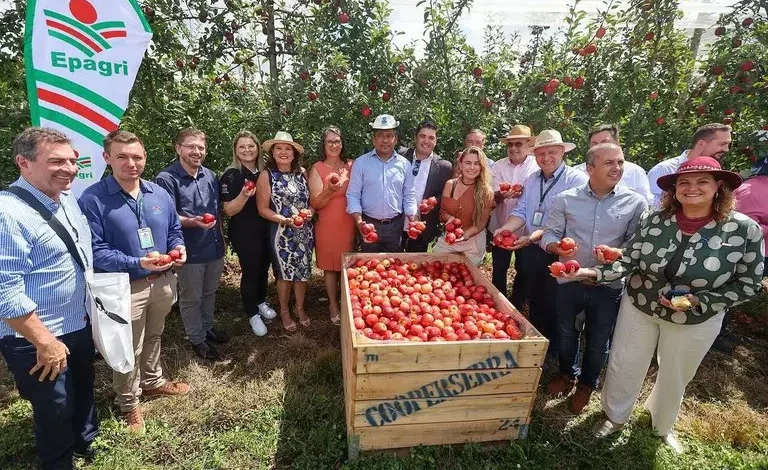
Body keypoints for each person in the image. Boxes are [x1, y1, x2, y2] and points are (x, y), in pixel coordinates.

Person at [565, 157, 764, 454]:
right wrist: (587, 272)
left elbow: (749, 283)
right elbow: (629, 261)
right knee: (624, 362)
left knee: (675, 372)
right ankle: (614, 416)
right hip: (641, 305)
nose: (691, 188)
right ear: (674, 189)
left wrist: (702, 301)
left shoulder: (742, 230)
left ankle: (661, 423)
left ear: (718, 187)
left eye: (702, 182)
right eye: (684, 182)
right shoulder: (656, 220)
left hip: (696, 318)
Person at [78, 129, 191, 433]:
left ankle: (153, 381)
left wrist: (178, 249)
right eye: (122, 157)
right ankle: (129, 403)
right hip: (124, 286)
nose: (131, 163)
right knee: (127, 346)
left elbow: (173, 231)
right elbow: (95, 252)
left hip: (163, 279)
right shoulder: (93, 199)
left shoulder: (158, 194)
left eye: (137, 156)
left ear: (145, 157)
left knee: (154, 335)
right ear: (107, 158)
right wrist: (136, 263)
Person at [0, 128, 98, 468]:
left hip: (77, 321)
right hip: (36, 335)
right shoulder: (8, 214)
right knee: (54, 407)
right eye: (56, 161)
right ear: (23, 163)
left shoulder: (66, 198)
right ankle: (59, 462)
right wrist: (45, 341)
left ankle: (86, 442)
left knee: (84, 388)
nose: (69, 169)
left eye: (72, 161)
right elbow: (5, 291)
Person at [540, 143, 647, 413]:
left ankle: (587, 384)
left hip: (608, 285)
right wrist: (557, 248)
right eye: (609, 163)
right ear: (590, 169)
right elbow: (550, 235)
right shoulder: (566, 199)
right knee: (566, 333)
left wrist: (615, 254)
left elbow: (637, 247)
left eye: (620, 162)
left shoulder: (635, 203)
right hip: (569, 280)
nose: (618, 168)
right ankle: (567, 374)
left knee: (599, 340)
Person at [493, 129, 588, 354]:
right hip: (531, 248)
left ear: (562, 152)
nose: (546, 158)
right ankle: (536, 342)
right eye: (541, 153)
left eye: (551, 152)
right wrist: (504, 229)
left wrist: (532, 236)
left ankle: (555, 349)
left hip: (559, 251)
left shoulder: (575, 180)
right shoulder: (533, 178)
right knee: (534, 295)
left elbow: (566, 221)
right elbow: (523, 210)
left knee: (557, 301)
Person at [155, 128, 226, 360]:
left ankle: (207, 327)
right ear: (179, 148)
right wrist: (192, 221)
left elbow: (217, 210)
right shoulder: (167, 179)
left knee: (209, 292)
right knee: (191, 296)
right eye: (191, 146)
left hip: (214, 246)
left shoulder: (210, 176)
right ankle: (197, 338)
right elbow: (167, 216)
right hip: (190, 249)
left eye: (201, 148)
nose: (197, 151)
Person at [220, 131, 277, 337]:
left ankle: (261, 302)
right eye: (242, 146)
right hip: (244, 232)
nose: (247, 150)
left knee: (263, 268)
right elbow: (228, 210)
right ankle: (252, 313)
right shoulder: (232, 175)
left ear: (258, 148)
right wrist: (244, 195)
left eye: (250, 146)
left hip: (266, 229)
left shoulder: (265, 173)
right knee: (251, 272)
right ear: (236, 150)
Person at [256, 131, 314, 332]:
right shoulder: (267, 176)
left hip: (303, 232)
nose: (283, 152)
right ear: (272, 152)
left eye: (287, 148)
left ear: (294, 153)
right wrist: (284, 220)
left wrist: (309, 212)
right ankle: (284, 311)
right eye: (278, 148)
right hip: (281, 233)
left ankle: (299, 307)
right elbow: (262, 208)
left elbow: (311, 204)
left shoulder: (302, 173)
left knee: (302, 271)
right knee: (285, 275)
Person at [346, 114, 417, 252]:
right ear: (373, 139)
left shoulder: (405, 165)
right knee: (368, 269)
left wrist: (413, 220)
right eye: (380, 135)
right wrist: (360, 223)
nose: (385, 140)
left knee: (393, 268)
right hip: (368, 225)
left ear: (395, 139)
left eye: (389, 135)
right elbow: (353, 195)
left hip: (395, 227)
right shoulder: (361, 163)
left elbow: (409, 195)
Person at [308, 126, 354, 326]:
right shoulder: (317, 168)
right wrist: (329, 190)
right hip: (327, 222)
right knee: (329, 266)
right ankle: (333, 305)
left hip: (347, 221)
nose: (334, 145)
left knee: (346, 263)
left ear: (342, 144)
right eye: (330, 142)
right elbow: (316, 203)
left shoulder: (351, 165)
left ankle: (347, 303)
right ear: (324, 145)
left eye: (337, 141)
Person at [488, 125, 539, 300]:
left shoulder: (536, 167)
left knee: (524, 268)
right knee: (499, 267)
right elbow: (492, 198)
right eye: (510, 145)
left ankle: (516, 303)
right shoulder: (498, 166)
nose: (513, 148)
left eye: (518, 144)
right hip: (501, 225)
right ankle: (497, 300)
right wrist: (502, 195)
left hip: (526, 230)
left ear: (528, 145)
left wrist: (524, 193)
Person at [433, 146, 494, 265]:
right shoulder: (450, 185)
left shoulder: (487, 192)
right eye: (468, 163)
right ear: (460, 165)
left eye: (477, 163)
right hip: (450, 239)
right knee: (437, 270)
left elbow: (481, 224)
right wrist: (450, 219)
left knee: (466, 278)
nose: (472, 167)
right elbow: (442, 213)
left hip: (473, 242)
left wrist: (465, 235)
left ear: (481, 167)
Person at [647, 123, 732, 206]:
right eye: (722, 144)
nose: (726, 149)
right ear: (702, 144)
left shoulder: (718, 171)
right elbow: (652, 205)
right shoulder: (665, 169)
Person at [400, 120, 453, 252]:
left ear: (436, 141)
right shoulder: (400, 156)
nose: (426, 141)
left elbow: (446, 195)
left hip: (423, 227)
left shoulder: (444, 167)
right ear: (415, 138)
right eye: (422, 136)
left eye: (431, 138)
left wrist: (435, 201)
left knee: (416, 267)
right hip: (396, 224)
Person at [574, 124, 653, 203]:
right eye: (594, 144)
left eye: (604, 142)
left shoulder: (635, 172)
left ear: (617, 143)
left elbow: (646, 204)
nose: (599, 147)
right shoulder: (576, 173)